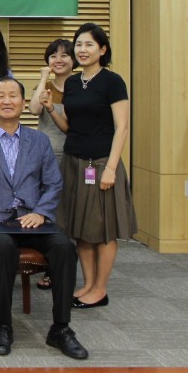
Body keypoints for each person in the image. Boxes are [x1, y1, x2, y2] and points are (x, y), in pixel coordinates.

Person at [0, 78, 89, 359]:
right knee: (3, 247)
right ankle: (4, 326)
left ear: (23, 102)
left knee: (64, 247)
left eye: (13, 96)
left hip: (31, 218)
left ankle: (61, 328)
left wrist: (41, 212)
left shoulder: (39, 140)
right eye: (1, 96)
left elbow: (53, 183)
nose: (7, 101)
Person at [41, 22, 135, 310]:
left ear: (102, 49)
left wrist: (111, 169)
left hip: (102, 163)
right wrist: (50, 109)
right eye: (79, 44)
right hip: (74, 162)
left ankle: (100, 289)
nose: (82, 50)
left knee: (103, 229)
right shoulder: (72, 83)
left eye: (89, 45)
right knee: (80, 227)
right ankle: (88, 284)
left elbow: (122, 128)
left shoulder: (112, 81)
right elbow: (70, 127)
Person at [29, 38, 76, 263]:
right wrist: (43, 78)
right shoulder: (45, 86)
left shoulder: (79, 86)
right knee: (47, 206)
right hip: (45, 155)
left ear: (73, 59)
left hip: (72, 152)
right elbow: (34, 109)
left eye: (64, 55)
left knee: (68, 207)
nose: (58, 60)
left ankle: (64, 259)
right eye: (53, 55)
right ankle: (48, 264)